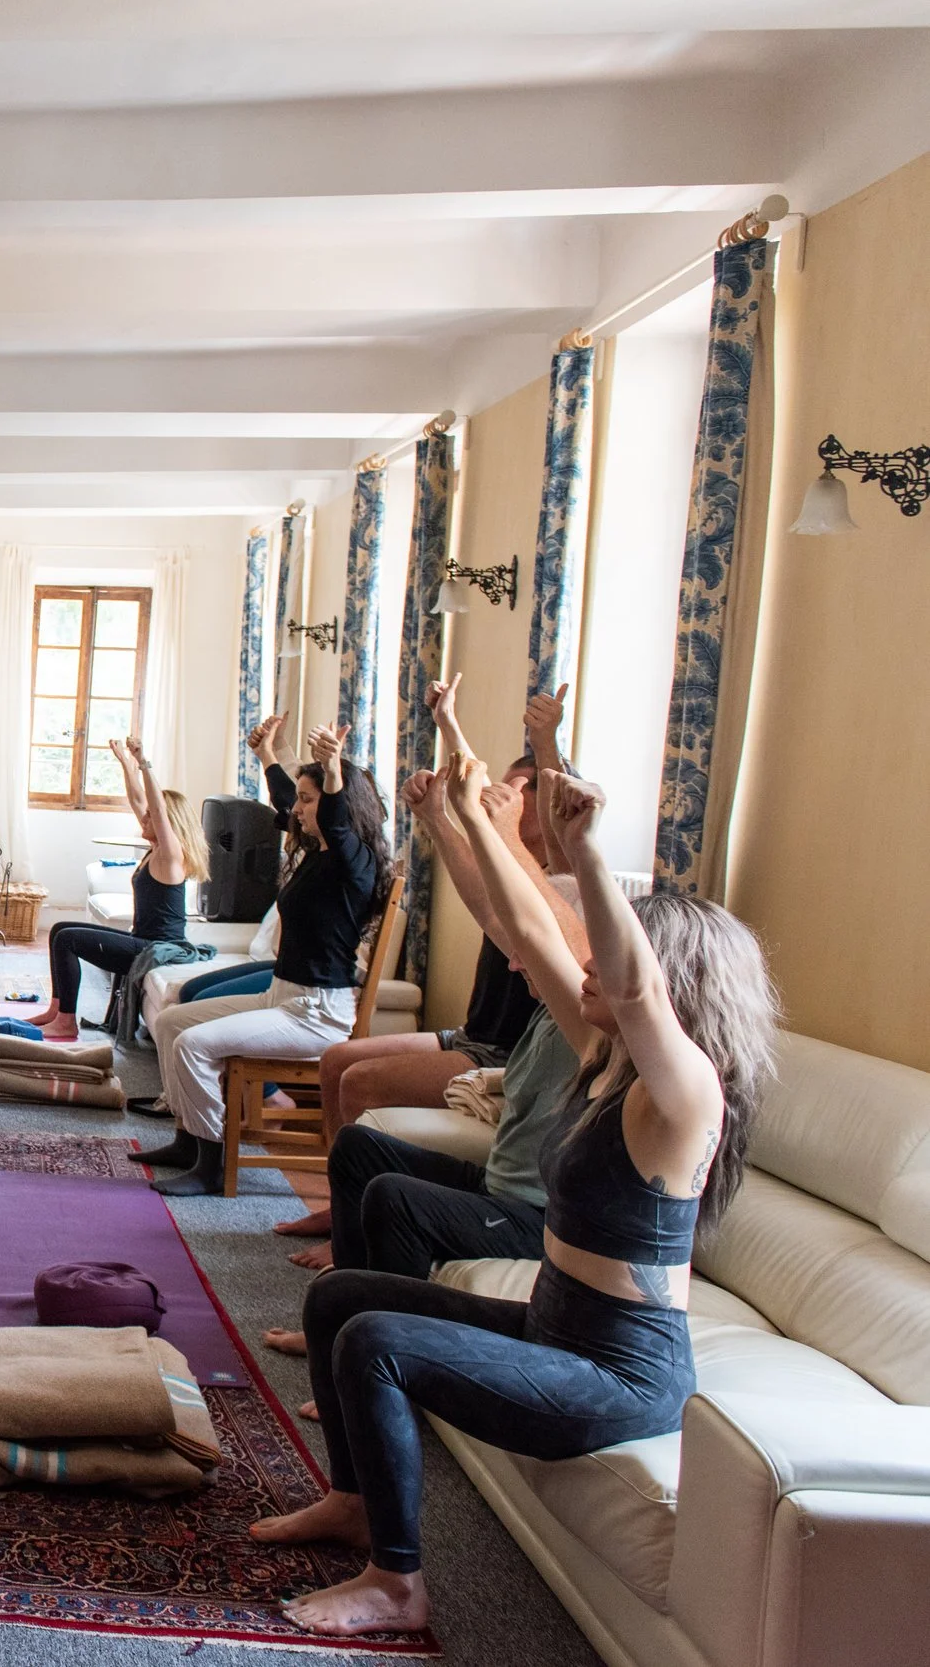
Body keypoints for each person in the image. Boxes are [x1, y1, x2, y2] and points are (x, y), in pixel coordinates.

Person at [249, 752, 777, 1639]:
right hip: (556, 1327)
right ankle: (352, 1500)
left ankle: (396, 1583)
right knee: (343, 1296)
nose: (586, 972)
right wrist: (462, 817)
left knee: (376, 1340)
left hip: (618, 1374)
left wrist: (585, 847)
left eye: (608, 961)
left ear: (666, 984)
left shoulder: (682, 1098)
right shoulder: (607, 1064)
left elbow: (636, 983)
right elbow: (529, 933)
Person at [278, 677, 577, 1267]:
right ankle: (342, 1207)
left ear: (547, 807)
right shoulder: (509, 868)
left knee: (361, 1083)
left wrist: (545, 744)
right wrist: (446, 728)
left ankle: (353, 1236)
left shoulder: (562, 879)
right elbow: (474, 794)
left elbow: (546, 804)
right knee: (338, 1061)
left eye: (518, 797)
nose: (500, 802)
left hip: (502, 1051)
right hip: (471, 1033)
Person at [136, 714, 386, 1195]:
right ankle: (188, 1140)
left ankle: (211, 1164)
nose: (300, 809)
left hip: (318, 1014)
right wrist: (267, 756)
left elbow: (330, 814)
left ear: (338, 806)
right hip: (282, 997)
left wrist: (332, 769)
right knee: (170, 1023)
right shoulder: (317, 854)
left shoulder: (354, 862)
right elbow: (285, 802)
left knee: (194, 1044)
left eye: (310, 800)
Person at [26, 736, 210, 1042]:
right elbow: (140, 800)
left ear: (167, 820)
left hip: (158, 948)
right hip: (143, 939)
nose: (144, 816)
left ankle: (66, 1022)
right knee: (59, 929)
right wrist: (126, 764)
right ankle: (56, 1012)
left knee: (68, 940)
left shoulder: (170, 855)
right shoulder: (156, 849)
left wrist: (144, 763)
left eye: (152, 815)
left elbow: (155, 808)